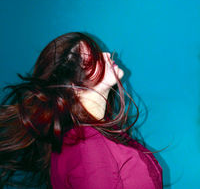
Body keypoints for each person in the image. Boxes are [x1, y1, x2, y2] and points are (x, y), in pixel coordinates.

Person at [0, 32, 162, 188]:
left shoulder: (93, 135)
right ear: (74, 86)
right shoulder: (86, 145)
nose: (107, 54)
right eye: (94, 57)